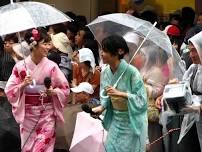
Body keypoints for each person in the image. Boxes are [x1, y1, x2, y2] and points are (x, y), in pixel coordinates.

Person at [5, 28, 69, 152]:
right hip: (28, 116)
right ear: (33, 45)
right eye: (44, 43)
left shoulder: (52, 66)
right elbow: (9, 90)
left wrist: (53, 92)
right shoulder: (20, 67)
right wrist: (23, 85)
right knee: (28, 149)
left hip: (47, 114)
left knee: (41, 148)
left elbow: (64, 89)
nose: (48, 47)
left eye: (48, 43)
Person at [91, 35, 148, 152]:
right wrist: (102, 108)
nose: (102, 53)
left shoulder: (132, 72)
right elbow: (105, 95)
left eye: (105, 50)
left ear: (119, 51)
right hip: (115, 121)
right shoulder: (105, 71)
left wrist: (122, 94)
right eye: (102, 50)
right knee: (110, 147)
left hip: (130, 122)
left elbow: (142, 100)